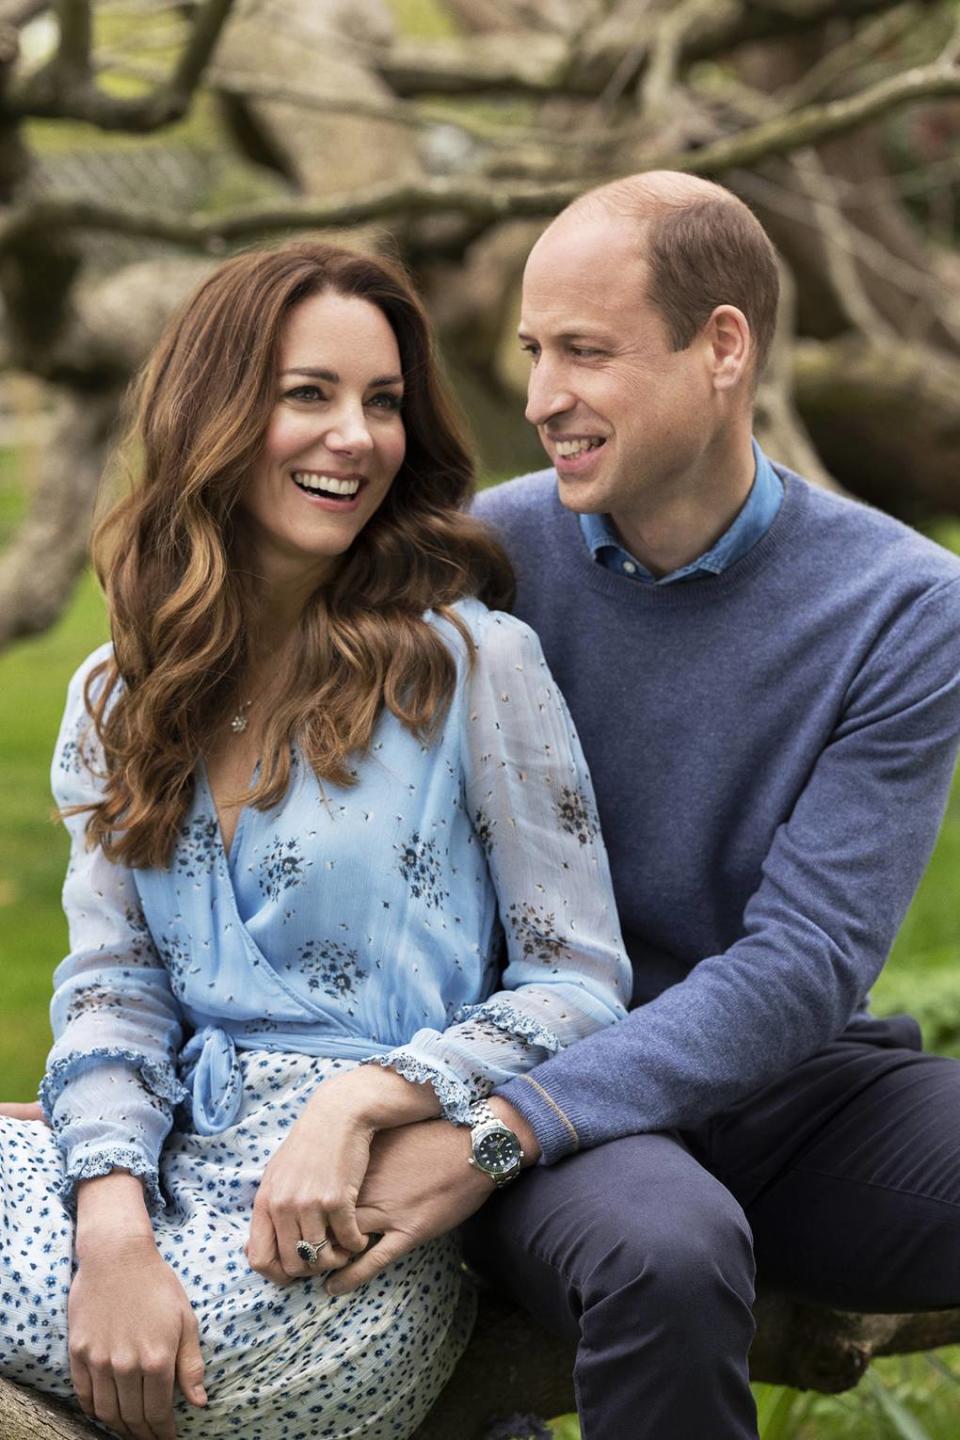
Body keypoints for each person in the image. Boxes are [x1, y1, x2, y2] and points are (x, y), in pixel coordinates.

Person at [313, 172, 960, 1440]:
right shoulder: (476, 565)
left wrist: (503, 1134)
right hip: (537, 1068)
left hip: (781, 1088)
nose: (546, 396)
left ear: (723, 347)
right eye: (534, 352)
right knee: (665, 1257)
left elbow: (809, 961)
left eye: (588, 353)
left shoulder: (902, 606)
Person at [0, 240, 632, 1439]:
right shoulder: (119, 696)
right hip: (159, 1163)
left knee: (215, 1361)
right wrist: (112, 1228)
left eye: (383, 402)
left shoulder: (472, 666)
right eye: (310, 393)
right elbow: (114, 991)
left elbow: (579, 982)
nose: (356, 436)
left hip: (347, 1239)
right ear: (214, 414)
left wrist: (363, 1098)